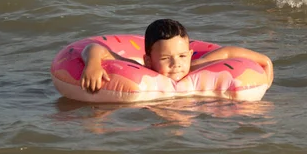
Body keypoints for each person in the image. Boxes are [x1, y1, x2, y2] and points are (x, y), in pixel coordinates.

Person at [80, 19, 274, 93]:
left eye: (182, 56)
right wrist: (93, 65)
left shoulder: (195, 67)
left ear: (190, 54)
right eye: (165, 59)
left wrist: (265, 61)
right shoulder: (139, 69)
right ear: (148, 60)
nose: (177, 64)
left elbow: (228, 52)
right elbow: (94, 48)